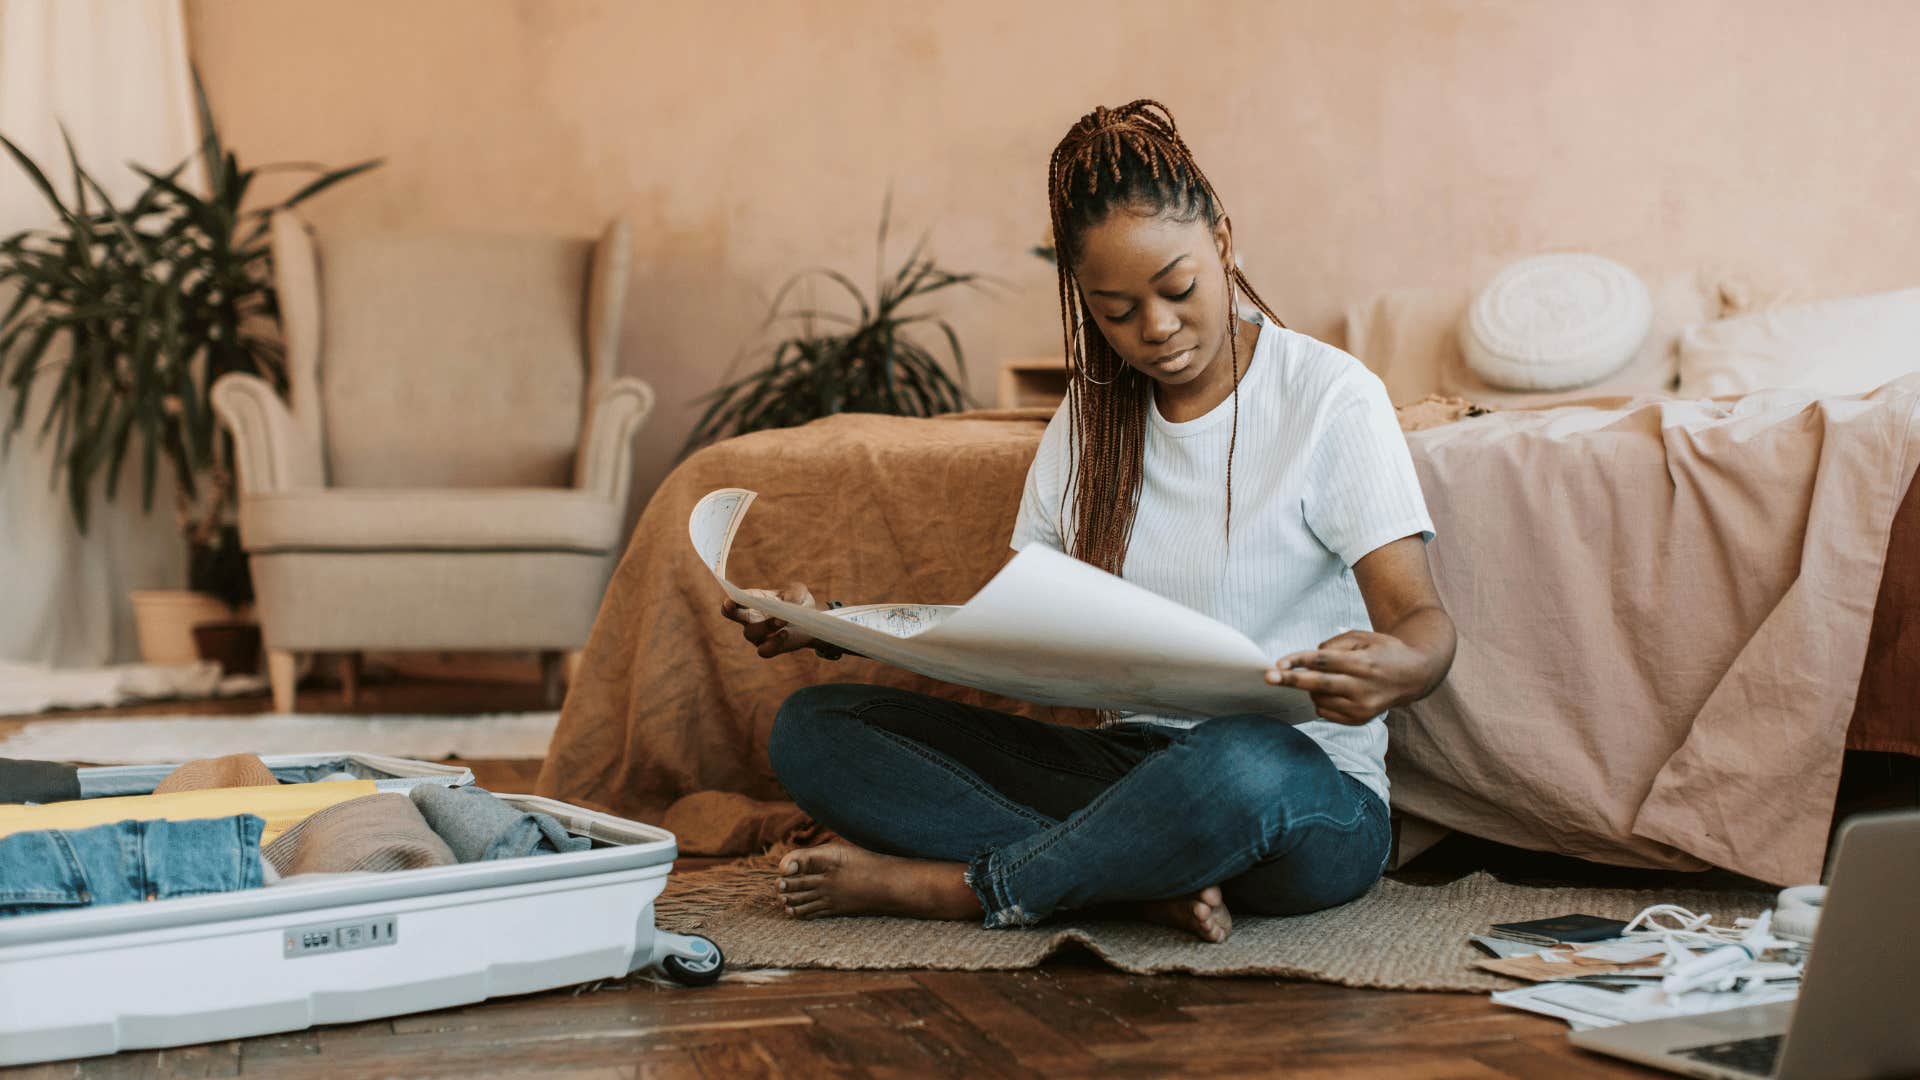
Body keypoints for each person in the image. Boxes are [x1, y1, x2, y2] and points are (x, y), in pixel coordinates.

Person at [721, 100, 1455, 943]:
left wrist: (1400, 665)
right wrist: (836, 627)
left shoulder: (1328, 396)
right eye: (1116, 310)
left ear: (1221, 240)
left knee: (1246, 758)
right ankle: (1126, 881)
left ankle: (968, 887)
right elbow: (1014, 631)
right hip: (1124, 771)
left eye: (1177, 289)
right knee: (816, 730)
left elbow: (1423, 624)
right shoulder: (1088, 422)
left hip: (1303, 796)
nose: (1158, 330)